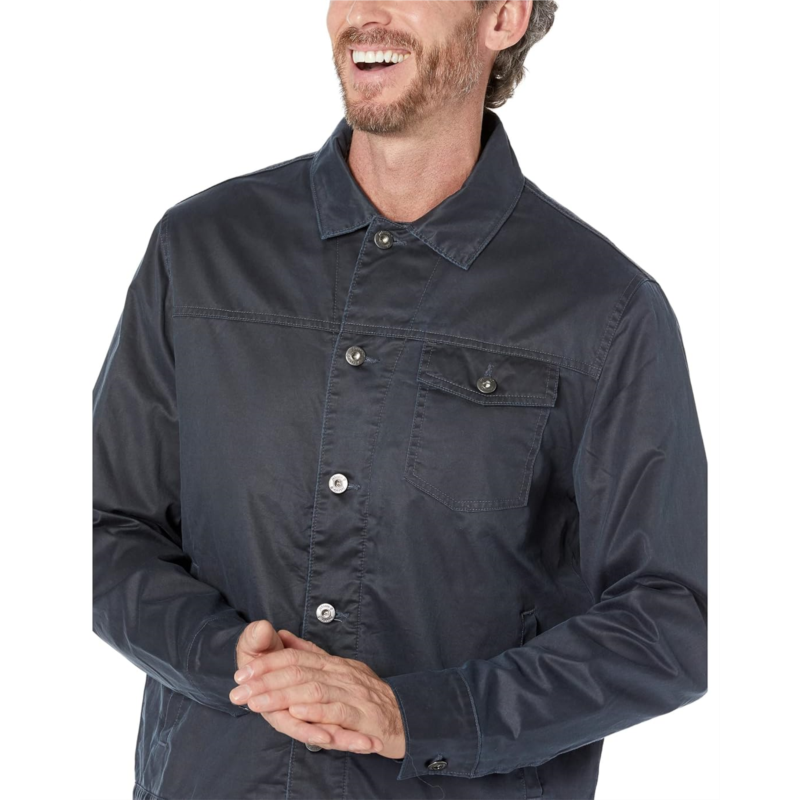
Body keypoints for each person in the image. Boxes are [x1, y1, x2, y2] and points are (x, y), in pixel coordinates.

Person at [92, 1, 709, 799]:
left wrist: (414, 717)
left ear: (504, 17)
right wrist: (232, 662)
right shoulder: (202, 250)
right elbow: (109, 528)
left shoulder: (603, 310)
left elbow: (662, 627)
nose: (363, 13)